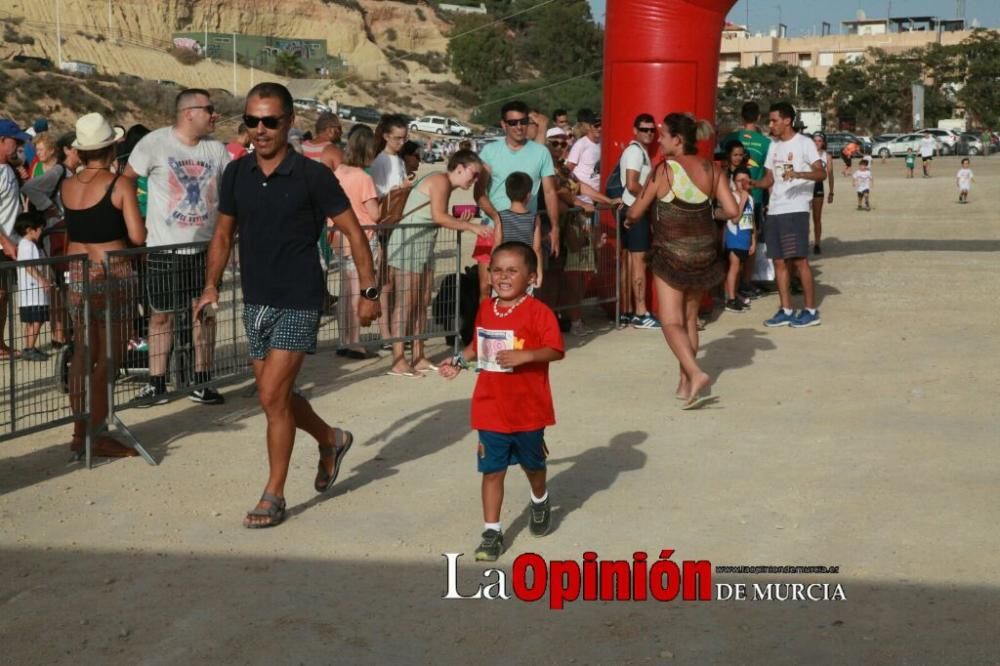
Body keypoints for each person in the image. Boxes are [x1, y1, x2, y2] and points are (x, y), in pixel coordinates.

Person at [195, 82, 379, 529]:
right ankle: (330, 439)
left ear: (289, 122)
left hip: (300, 297)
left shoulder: (313, 175)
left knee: (270, 397)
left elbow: (354, 232)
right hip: (255, 297)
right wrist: (210, 286)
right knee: (275, 398)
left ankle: (273, 494)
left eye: (270, 121)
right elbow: (222, 235)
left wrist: (370, 293)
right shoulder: (236, 174)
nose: (260, 130)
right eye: (252, 121)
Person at [438, 241, 565, 561]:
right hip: (490, 405)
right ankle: (492, 532)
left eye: (512, 270)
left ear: (532, 277)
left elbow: (556, 349)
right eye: (496, 270)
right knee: (492, 470)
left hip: (528, 408)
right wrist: (457, 361)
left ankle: (540, 500)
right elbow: (476, 345)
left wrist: (527, 355)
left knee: (533, 465)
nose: (502, 276)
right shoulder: (486, 308)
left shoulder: (540, 312)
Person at [125, 89, 231, 406]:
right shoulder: (154, 143)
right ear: (189, 112)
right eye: (209, 109)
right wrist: (136, 220)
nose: (215, 115)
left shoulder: (217, 150)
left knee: (205, 315)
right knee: (161, 317)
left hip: (206, 249)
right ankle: (157, 383)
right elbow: (126, 179)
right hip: (164, 250)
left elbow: (231, 190)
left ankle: (202, 380)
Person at [626, 113, 739, 408]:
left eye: (663, 135)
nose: (659, 140)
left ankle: (696, 373)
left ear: (678, 139)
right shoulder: (713, 170)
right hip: (705, 254)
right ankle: (684, 382)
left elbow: (637, 211)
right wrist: (706, 216)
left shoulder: (664, 170)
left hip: (671, 255)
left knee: (670, 321)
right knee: (689, 320)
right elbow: (733, 211)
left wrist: (628, 220)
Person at [61, 112, 147, 457]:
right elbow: (138, 235)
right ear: (112, 146)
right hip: (115, 274)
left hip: (78, 274)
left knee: (83, 353)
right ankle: (97, 434)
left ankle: (80, 429)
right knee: (109, 357)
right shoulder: (119, 185)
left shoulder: (67, 184)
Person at [385, 150, 490, 377]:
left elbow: (438, 217)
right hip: (409, 244)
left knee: (421, 302)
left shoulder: (445, 184)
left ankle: (418, 356)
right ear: (459, 167)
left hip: (421, 244)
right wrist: (471, 227)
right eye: (473, 174)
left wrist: (460, 223)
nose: (474, 180)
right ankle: (398, 359)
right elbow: (439, 217)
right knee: (406, 302)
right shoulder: (440, 181)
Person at [476, 101, 561, 301]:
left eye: (523, 121)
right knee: (486, 287)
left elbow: (549, 192)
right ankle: (485, 331)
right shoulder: (489, 151)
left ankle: (521, 332)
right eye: (513, 122)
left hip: (524, 230)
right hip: (490, 228)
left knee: (526, 290)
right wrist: (497, 218)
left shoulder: (541, 152)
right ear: (503, 125)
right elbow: (479, 193)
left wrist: (555, 228)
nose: (519, 126)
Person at [755, 102, 827, 329]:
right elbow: (769, 179)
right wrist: (753, 183)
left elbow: (821, 172)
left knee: (799, 261)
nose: (771, 124)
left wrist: (798, 173)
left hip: (795, 210)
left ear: (787, 120)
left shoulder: (804, 143)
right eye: (770, 120)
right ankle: (786, 309)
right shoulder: (773, 145)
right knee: (778, 261)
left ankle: (810, 310)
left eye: (774, 120)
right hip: (775, 210)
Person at [332, 132, 381, 359]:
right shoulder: (363, 177)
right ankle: (355, 342)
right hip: (361, 238)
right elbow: (375, 213)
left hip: (338, 238)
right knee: (357, 291)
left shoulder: (338, 172)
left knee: (345, 291)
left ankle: (345, 339)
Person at [721, 102, 770, 302]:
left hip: (729, 199)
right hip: (754, 198)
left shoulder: (730, 139)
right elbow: (768, 173)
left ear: (741, 117)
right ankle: (745, 284)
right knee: (751, 242)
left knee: (730, 244)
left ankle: (730, 287)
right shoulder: (766, 143)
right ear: (758, 117)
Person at [618, 113, 659, 329]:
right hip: (636, 210)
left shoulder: (638, 151)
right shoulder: (635, 152)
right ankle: (640, 313)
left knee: (630, 262)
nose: (649, 133)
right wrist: (651, 199)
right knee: (638, 263)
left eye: (652, 130)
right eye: (644, 129)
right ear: (635, 130)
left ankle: (627, 310)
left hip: (632, 208)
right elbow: (632, 184)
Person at [0, 119, 32, 360]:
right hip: (2, 243)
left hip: (8, 242)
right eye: (16, 141)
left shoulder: (9, 168)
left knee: (3, 295)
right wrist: (6, 240)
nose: (19, 146)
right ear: (1, 141)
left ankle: (0, 343)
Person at [494, 172, 543, 287]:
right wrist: (538, 273)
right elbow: (537, 249)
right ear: (528, 195)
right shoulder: (534, 218)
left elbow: (496, 245)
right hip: (525, 268)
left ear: (507, 193)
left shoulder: (500, 217)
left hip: (504, 268)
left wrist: (492, 270)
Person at [14, 212, 52, 360]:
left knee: (32, 320)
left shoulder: (25, 244)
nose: (41, 232)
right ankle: (30, 347)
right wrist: (42, 280)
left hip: (29, 292)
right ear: (30, 229)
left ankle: (29, 346)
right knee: (37, 319)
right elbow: (29, 266)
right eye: (40, 229)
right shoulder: (27, 245)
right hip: (33, 291)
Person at [720, 167, 755, 313]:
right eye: (739, 180)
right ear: (734, 182)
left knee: (739, 268)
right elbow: (734, 219)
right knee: (734, 267)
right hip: (734, 236)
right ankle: (731, 299)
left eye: (745, 180)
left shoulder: (751, 198)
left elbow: (752, 221)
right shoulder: (733, 197)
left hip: (745, 236)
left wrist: (753, 240)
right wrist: (742, 201)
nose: (742, 183)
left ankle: (734, 294)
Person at [565, 111, 601, 202]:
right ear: (589, 127)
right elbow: (569, 168)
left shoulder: (602, 143)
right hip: (584, 197)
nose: (599, 128)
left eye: (601, 125)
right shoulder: (581, 144)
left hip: (598, 194)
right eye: (596, 126)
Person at [810, 132, 834, 255]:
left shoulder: (826, 156)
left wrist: (831, 192)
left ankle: (817, 243)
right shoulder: (807, 154)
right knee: (803, 217)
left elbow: (830, 175)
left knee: (817, 217)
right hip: (806, 186)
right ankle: (803, 242)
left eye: (819, 141)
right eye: (815, 141)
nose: (817, 143)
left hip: (818, 186)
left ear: (823, 142)